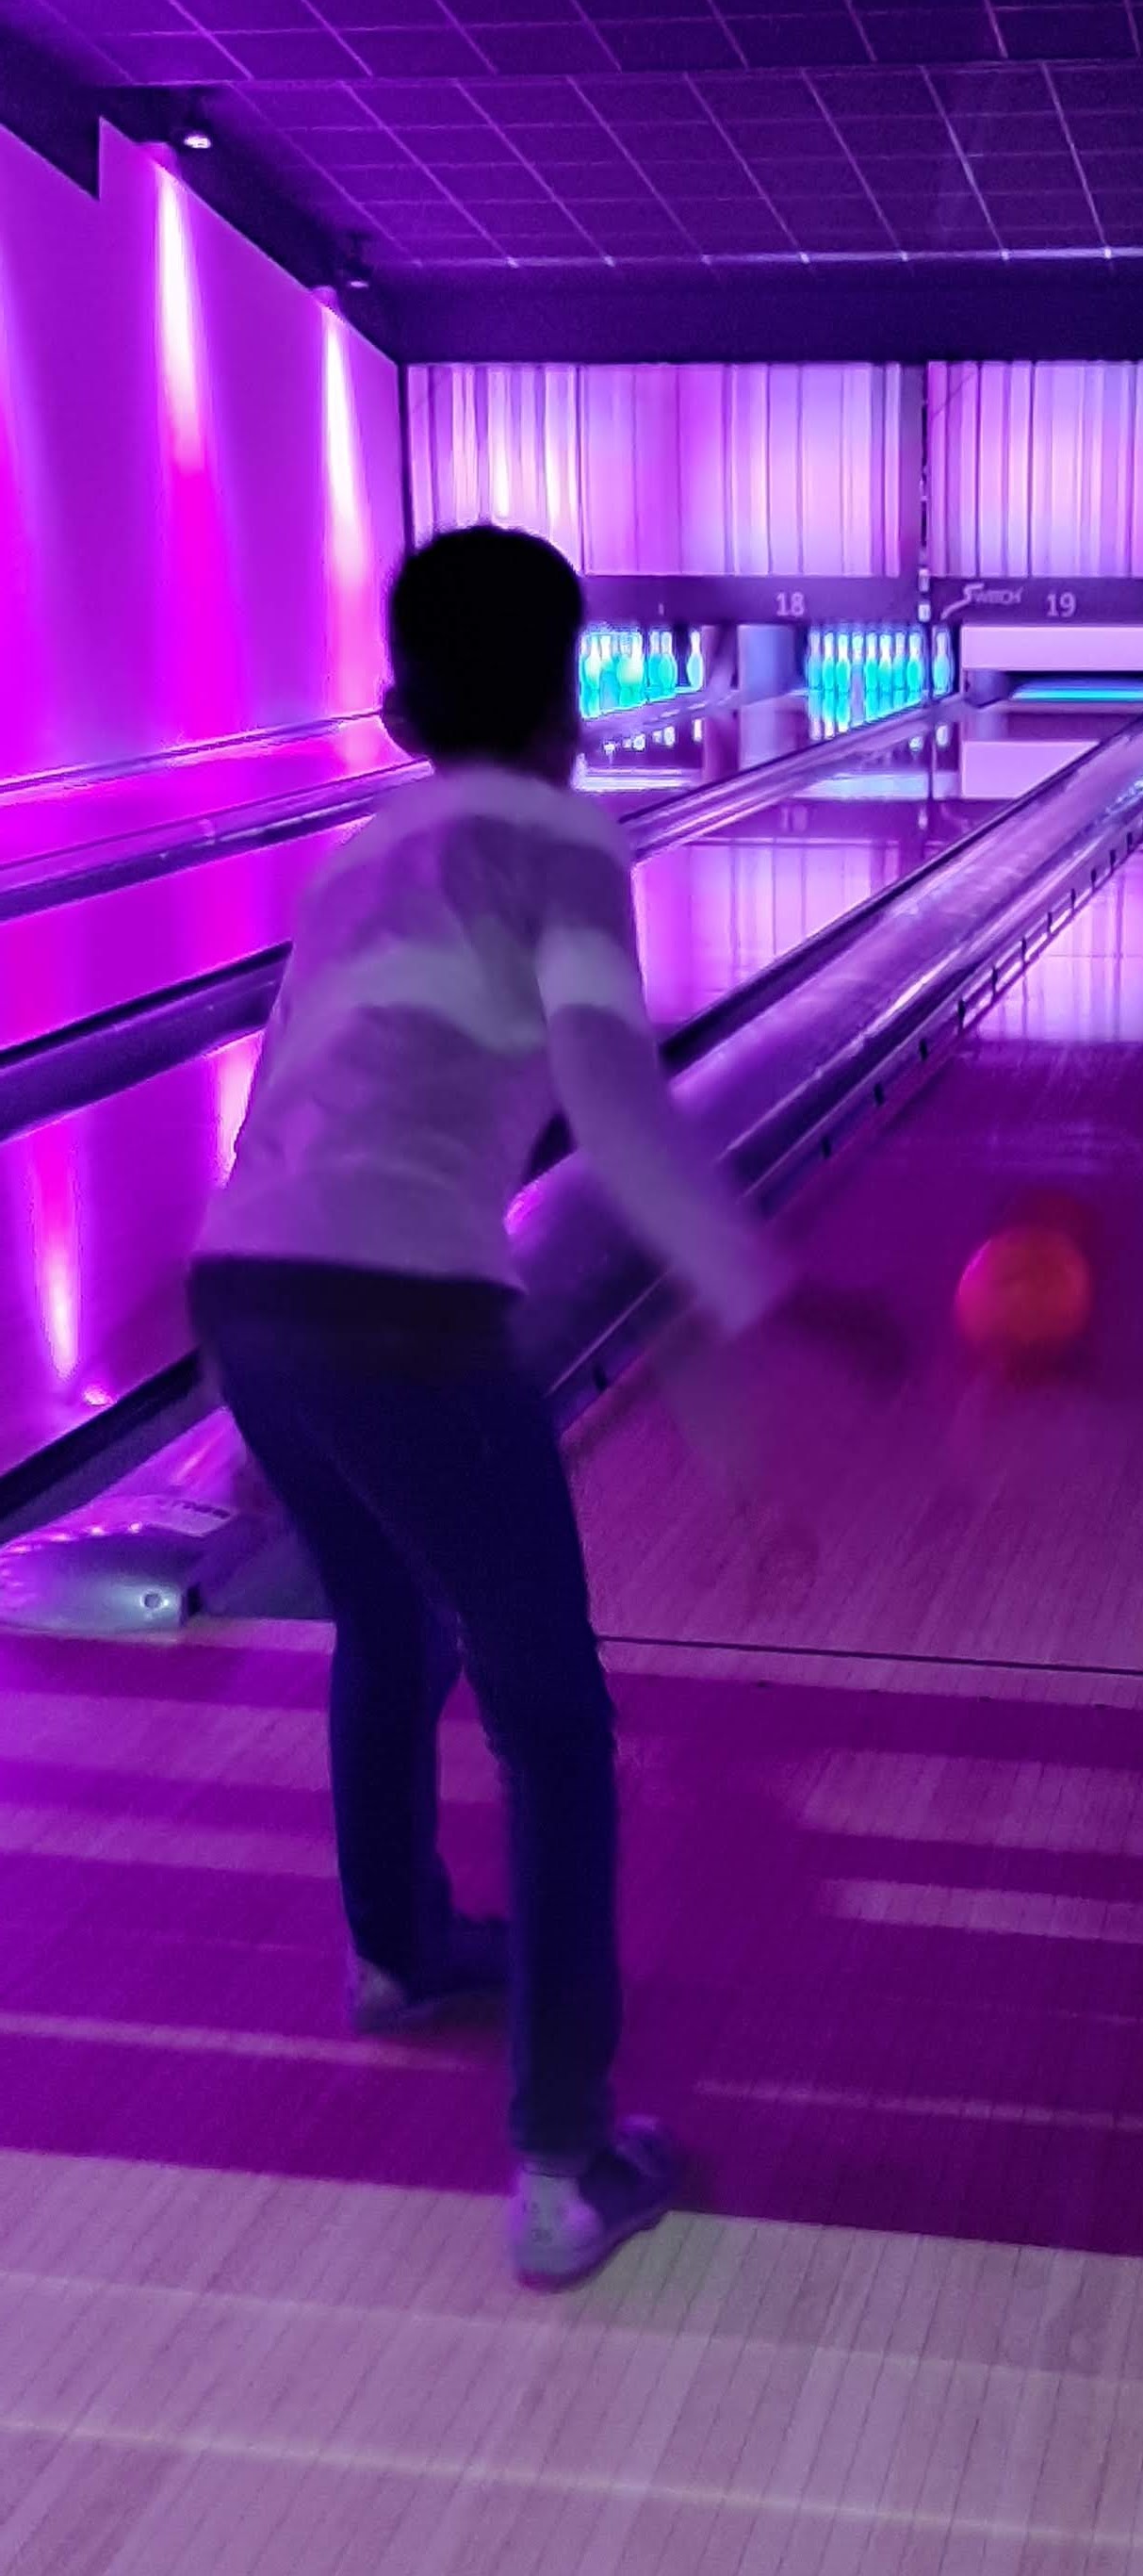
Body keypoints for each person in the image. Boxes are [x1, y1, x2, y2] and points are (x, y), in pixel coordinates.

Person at [191, 523, 856, 2289]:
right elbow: (617, 1111)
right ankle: (564, 2170)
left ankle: (398, 1953)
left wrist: (248, 1393)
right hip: (405, 1318)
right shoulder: (566, 842)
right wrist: (763, 1291)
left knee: (389, 1625)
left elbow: (278, 1105)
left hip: (249, 1294)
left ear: (402, 710)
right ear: (571, 701)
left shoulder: (355, 857)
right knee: (553, 1729)